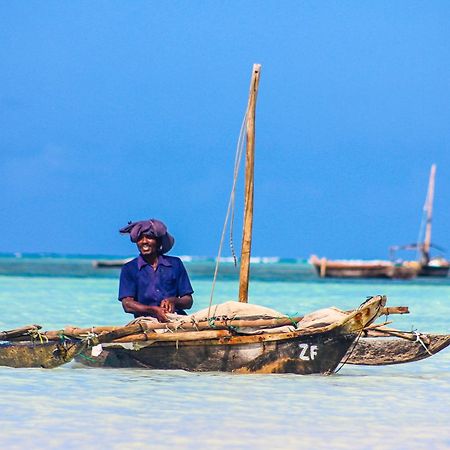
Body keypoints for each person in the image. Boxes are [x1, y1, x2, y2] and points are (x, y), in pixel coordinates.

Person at [118, 218, 193, 322]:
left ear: (158, 242)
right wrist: (153, 310)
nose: (144, 241)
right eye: (140, 238)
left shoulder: (175, 264)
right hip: (146, 322)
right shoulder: (129, 268)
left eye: (149, 237)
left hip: (176, 319)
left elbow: (188, 301)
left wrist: (173, 301)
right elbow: (127, 304)